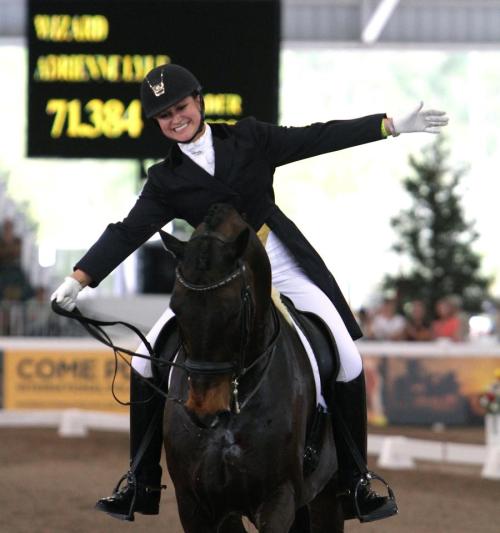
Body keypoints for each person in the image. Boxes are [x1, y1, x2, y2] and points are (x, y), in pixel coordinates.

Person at [51, 63, 448, 523]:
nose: (174, 119)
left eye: (179, 107)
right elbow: (127, 232)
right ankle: (141, 480)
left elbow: (315, 137)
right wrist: (77, 280)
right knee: (144, 362)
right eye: (163, 116)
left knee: (347, 356)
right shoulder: (165, 179)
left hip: (275, 260)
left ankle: (355, 480)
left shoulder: (250, 138)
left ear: (198, 101)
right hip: (216, 280)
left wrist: (389, 126)